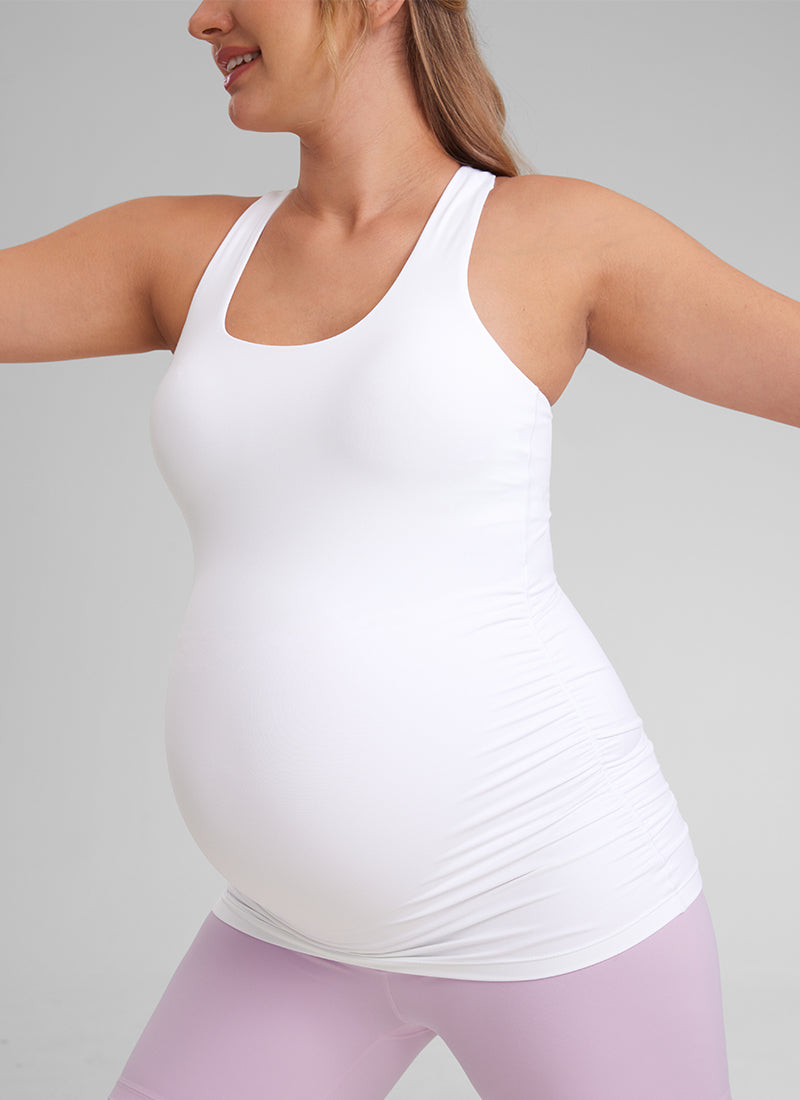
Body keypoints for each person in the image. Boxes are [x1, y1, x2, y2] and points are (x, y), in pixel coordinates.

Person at [2, 2, 798, 1098]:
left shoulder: (553, 237)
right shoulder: (183, 254)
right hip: (290, 933)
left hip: (552, 908)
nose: (200, 17)